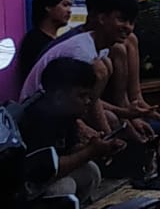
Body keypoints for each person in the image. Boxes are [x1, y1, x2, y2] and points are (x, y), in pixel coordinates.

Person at [21, 0, 156, 144]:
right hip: (39, 113)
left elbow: (91, 100)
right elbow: (78, 101)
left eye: (131, 22)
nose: (127, 27)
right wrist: (107, 137)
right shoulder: (81, 51)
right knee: (110, 120)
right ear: (101, 18)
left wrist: (126, 114)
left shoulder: (101, 51)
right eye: (121, 19)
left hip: (61, 109)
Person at [19, 57, 126, 203]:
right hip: (27, 187)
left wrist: (99, 147)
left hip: (48, 174)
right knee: (63, 188)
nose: (88, 101)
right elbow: (46, 169)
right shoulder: (39, 118)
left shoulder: (66, 114)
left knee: (90, 171)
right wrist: (90, 152)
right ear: (59, 97)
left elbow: (69, 149)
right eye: (82, 96)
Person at [18, 0, 73, 82]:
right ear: (48, 7)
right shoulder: (34, 41)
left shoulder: (56, 40)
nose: (69, 10)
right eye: (65, 5)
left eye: (70, 6)